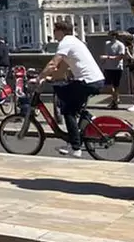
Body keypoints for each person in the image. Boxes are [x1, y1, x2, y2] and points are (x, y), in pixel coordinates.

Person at [36, 20, 106, 157]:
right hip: (95, 80)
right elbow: (62, 68)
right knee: (71, 100)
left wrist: (40, 77)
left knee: (68, 111)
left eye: (55, 30)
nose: (53, 33)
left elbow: (53, 64)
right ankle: (86, 120)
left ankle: (75, 147)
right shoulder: (74, 41)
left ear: (61, 31)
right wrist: (52, 78)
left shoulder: (65, 42)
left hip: (87, 82)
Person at [100, 31, 127, 109]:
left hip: (117, 68)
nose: (109, 37)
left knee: (116, 85)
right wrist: (103, 62)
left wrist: (107, 57)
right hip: (108, 67)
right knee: (108, 85)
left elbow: (120, 57)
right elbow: (106, 54)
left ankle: (115, 101)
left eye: (111, 35)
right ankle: (115, 99)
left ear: (115, 36)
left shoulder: (120, 45)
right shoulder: (107, 44)